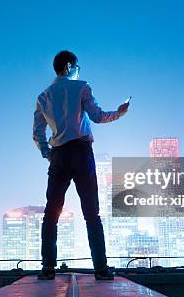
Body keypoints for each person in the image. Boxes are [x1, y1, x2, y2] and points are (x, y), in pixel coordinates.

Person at [32, 50, 130, 280]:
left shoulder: (43, 96)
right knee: (91, 212)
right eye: (77, 66)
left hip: (58, 155)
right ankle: (100, 269)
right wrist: (119, 113)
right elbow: (97, 116)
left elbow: (37, 132)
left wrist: (49, 153)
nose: (79, 71)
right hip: (81, 152)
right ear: (68, 67)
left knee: (51, 213)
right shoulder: (82, 87)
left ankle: (48, 269)